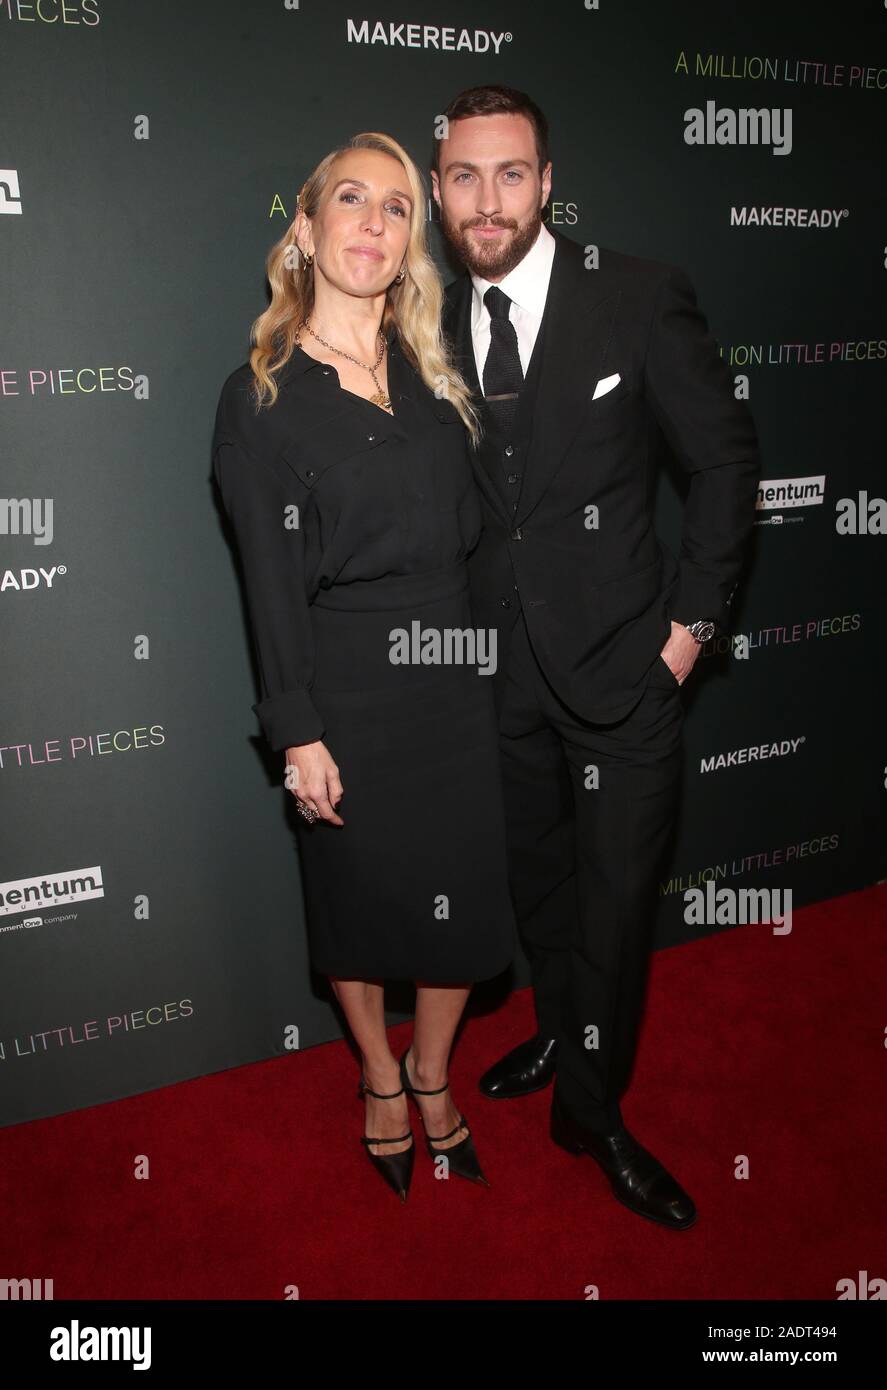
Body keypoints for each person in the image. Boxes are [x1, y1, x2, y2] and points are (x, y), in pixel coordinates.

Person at [432, 85, 761, 1230]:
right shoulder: (423, 319)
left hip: (626, 672)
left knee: (617, 910)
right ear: (438, 191)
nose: (488, 200)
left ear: (545, 181)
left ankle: (595, 1110)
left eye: (509, 173)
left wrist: (684, 639)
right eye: (464, 176)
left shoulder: (632, 296)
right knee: (542, 892)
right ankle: (553, 1031)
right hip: (499, 676)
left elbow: (723, 465)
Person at [211, 132, 516, 1202]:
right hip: (344, 690)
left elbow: (484, 541)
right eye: (351, 199)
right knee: (357, 907)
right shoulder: (260, 399)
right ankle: (382, 1080)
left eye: (396, 207)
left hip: (454, 682)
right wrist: (296, 730)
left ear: (408, 242)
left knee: (459, 906)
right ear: (304, 229)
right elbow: (267, 586)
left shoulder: (437, 374)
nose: (374, 223)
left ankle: (435, 1070)